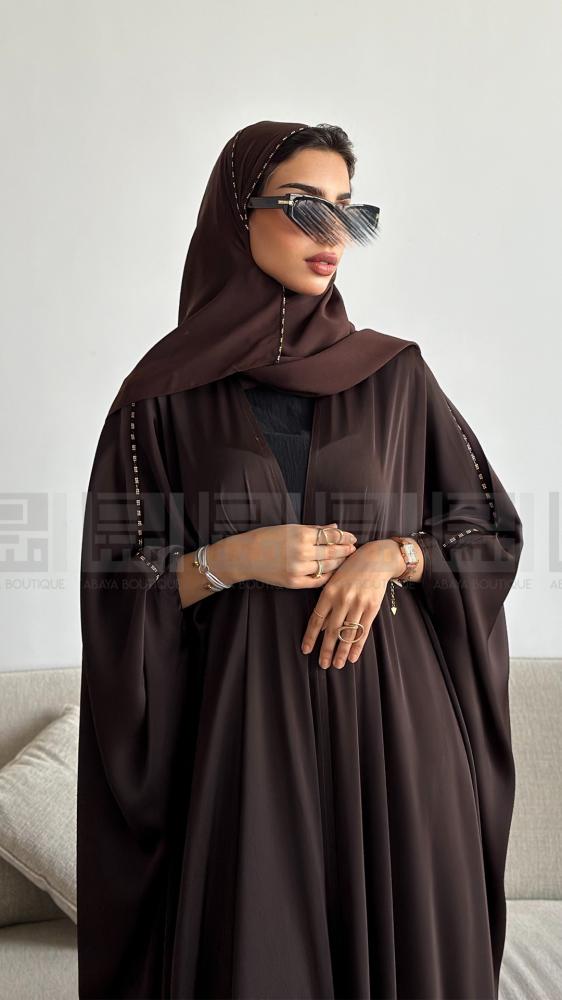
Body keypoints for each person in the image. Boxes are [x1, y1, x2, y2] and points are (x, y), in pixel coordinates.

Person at [77, 120, 524, 999]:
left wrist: (393, 556)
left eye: (349, 211)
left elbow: (489, 531)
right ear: (234, 214)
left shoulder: (395, 377)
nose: (334, 234)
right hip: (244, 745)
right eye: (304, 205)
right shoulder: (159, 400)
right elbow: (117, 582)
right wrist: (234, 558)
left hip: (398, 746)